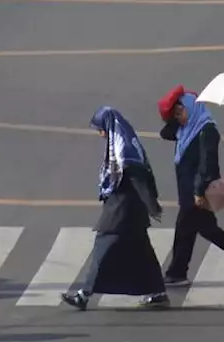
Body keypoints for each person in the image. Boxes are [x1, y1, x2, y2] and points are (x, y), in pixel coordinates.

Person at [62, 106, 171, 311]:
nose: (101, 134)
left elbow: (139, 179)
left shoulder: (125, 151)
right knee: (142, 252)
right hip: (130, 212)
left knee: (103, 245)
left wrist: (152, 206)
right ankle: (158, 293)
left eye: (101, 129)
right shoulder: (123, 144)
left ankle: (84, 295)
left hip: (123, 211)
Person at [157, 85, 224, 286]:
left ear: (191, 108)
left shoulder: (206, 130)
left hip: (197, 192)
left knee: (193, 229)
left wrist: (199, 192)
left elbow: (207, 164)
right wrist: (173, 115)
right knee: (202, 230)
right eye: (176, 114)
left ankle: (177, 273)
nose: (179, 117)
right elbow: (165, 133)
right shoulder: (186, 129)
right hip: (189, 193)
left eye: (180, 112)